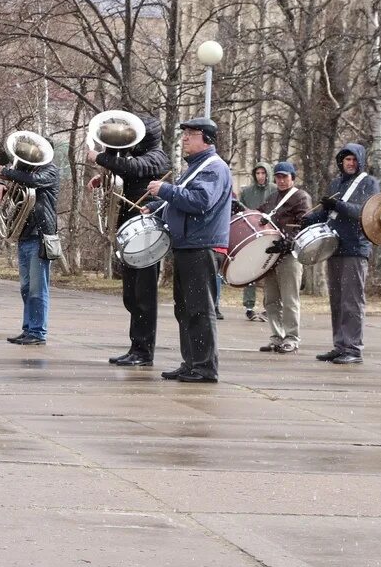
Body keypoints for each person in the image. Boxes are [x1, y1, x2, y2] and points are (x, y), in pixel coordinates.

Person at [148, 117, 233, 383]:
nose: (185, 138)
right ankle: (192, 362)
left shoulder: (213, 168)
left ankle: (205, 366)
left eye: (191, 134)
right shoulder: (197, 167)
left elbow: (200, 201)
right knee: (184, 308)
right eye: (184, 133)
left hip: (201, 246)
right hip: (189, 245)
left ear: (206, 139)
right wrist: (156, 207)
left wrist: (166, 190)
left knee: (200, 309)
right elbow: (185, 202)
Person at [85, 113, 169, 367]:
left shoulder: (157, 156)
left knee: (144, 295)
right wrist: (104, 177)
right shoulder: (134, 157)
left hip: (146, 235)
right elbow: (125, 174)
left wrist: (100, 158)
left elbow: (135, 169)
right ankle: (136, 346)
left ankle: (144, 351)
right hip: (129, 232)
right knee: (131, 295)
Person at [302, 143, 379, 365]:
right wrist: (309, 220)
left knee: (352, 301)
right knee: (337, 300)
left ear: (360, 161)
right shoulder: (336, 183)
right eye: (347, 160)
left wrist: (339, 204)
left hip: (355, 248)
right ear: (341, 162)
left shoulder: (369, 183)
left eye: (354, 159)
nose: (351, 163)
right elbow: (329, 213)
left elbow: (364, 212)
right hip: (334, 246)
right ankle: (340, 345)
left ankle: (353, 348)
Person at [0, 138, 61, 345]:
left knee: (37, 288)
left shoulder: (50, 171)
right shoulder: (26, 171)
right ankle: (28, 328)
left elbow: (34, 182)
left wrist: (6, 172)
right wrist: (0, 184)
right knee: (25, 287)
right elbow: (17, 188)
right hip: (24, 233)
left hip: (40, 235)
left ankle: (38, 332)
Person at [255, 162, 311, 354]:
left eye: (285, 177)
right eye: (278, 177)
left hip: (289, 255)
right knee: (270, 300)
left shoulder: (301, 197)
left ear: (293, 178)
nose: (281, 180)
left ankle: (292, 337)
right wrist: (241, 209)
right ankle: (277, 336)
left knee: (289, 299)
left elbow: (305, 224)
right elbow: (258, 216)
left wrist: (288, 241)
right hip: (272, 255)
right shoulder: (272, 198)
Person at [239, 162, 276, 321]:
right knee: (250, 271)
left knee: (270, 271)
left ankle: (270, 305)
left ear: (268, 174)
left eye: (263, 173)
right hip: (251, 234)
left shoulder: (275, 190)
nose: (260, 176)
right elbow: (242, 211)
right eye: (258, 173)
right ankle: (249, 305)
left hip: (271, 233)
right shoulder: (247, 192)